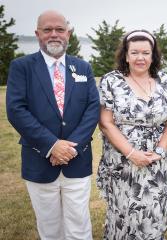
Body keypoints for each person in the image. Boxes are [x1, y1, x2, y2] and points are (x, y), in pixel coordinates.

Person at [6, 10, 100, 240]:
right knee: (49, 227)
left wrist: (70, 148)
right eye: (47, 30)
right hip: (39, 160)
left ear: (68, 33)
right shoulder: (22, 67)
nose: (54, 34)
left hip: (77, 160)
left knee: (79, 224)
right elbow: (16, 111)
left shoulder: (83, 68)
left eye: (60, 29)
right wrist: (52, 145)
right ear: (37, 34)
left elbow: (92, 109)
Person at [97, 29, 167, 239]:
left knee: (152, 215)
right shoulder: (111, 81)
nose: (140, 58)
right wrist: (131, 153)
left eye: (146, 52)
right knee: (124, 213)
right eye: (134, 52)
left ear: (153, 56)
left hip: (157, 162)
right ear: (126, 55)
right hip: (122, 162)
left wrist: (160, 151)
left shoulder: (164, 80)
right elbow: (105, 123)